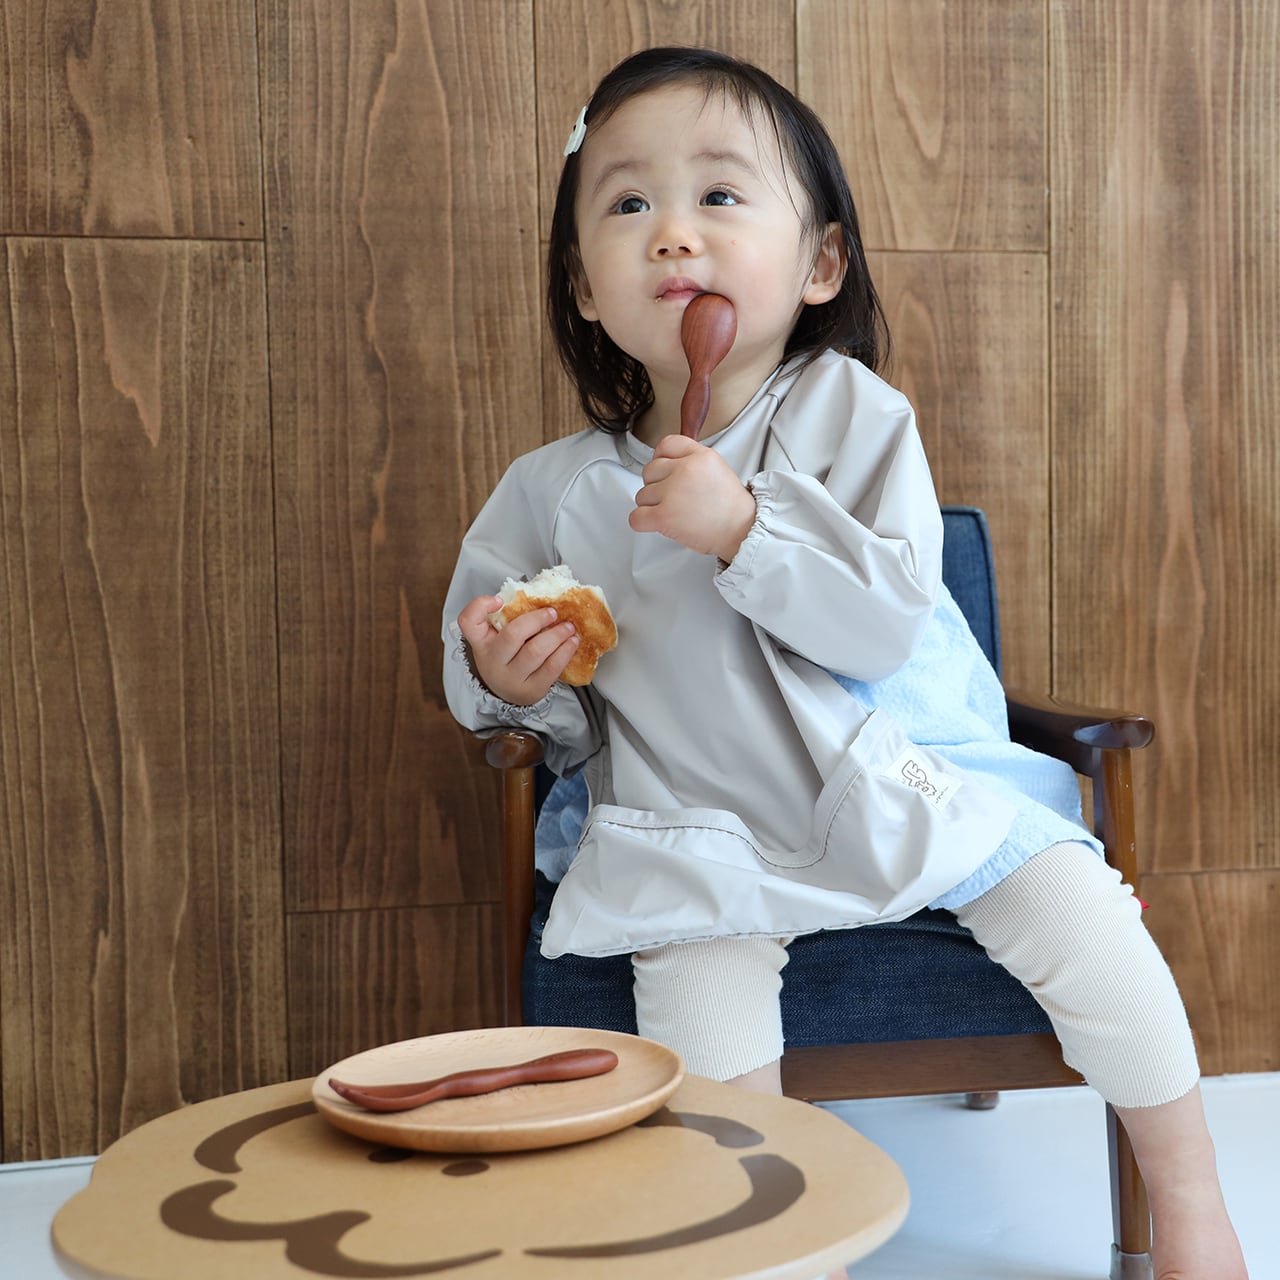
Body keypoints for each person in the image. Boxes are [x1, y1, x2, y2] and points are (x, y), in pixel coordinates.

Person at [442, 47, 1247, 1280]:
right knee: (705, 1036)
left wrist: (742, 528)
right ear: (585, 287)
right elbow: (525, 699)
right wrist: (513, 674)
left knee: (1081, 913)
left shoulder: (851, 416)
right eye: (628, 202)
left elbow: (880, 624)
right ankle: (768, 1244)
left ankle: (1190, 1206)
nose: (673, 233)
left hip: (887, 775)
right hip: (694, 824)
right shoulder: (550, 489)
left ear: (818, 264)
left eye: (719, 195)